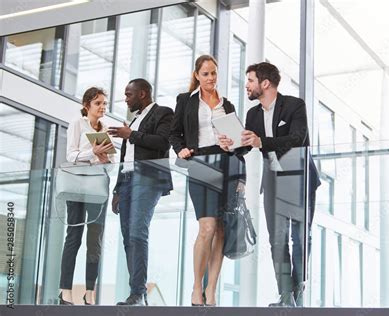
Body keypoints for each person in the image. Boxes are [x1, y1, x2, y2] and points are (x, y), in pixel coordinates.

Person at [219, 62, 320, 307]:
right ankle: (285, 295)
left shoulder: (295, 105)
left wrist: (260, 141)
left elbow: (297, 139)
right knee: (276, 239)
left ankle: (297, 291)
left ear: (265, 83)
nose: (247, 86)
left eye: (250, 80)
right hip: (273, 180)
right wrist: (231, 145)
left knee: (299, 237)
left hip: (298, 176)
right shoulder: (253, 114)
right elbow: (248, 145)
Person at [170, 55, 243, 306]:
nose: (210, 78)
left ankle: (211, 289)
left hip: (225, 165)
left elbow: (241, 145)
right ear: (196, 76)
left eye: (214, 73)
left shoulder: (228, 105)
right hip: (199, 164)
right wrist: (180, 148)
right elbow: (174, 132)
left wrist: (231, 143)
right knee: (207, 228)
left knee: (221, 229)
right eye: (205, 74)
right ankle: (196, 288)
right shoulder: (185, 101)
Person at [108, 78, 174, 306]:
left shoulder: (163, 113)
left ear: (143, 94)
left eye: (129, 94)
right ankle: (138, 292)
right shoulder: (134, 120)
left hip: (147, 178)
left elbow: (163, 142)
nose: (126, 99)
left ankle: (137, 293)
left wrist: (131, 135)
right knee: (128, 237)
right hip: (126, 181)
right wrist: (117, 189)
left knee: (137, 232)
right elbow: (125, 158)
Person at [59, 87, 115, 305]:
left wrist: (103, 160)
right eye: (98, 103)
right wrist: (93, 152)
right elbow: (70, 154)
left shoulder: (106, 129)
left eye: (104, 103)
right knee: (74, 237)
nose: (102, 107)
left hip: (98, 186)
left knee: (95, 240)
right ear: (87, 105)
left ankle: (90, 292)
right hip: (77, 185)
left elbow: (109, 165)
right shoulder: (77, 124)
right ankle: (65, 290)